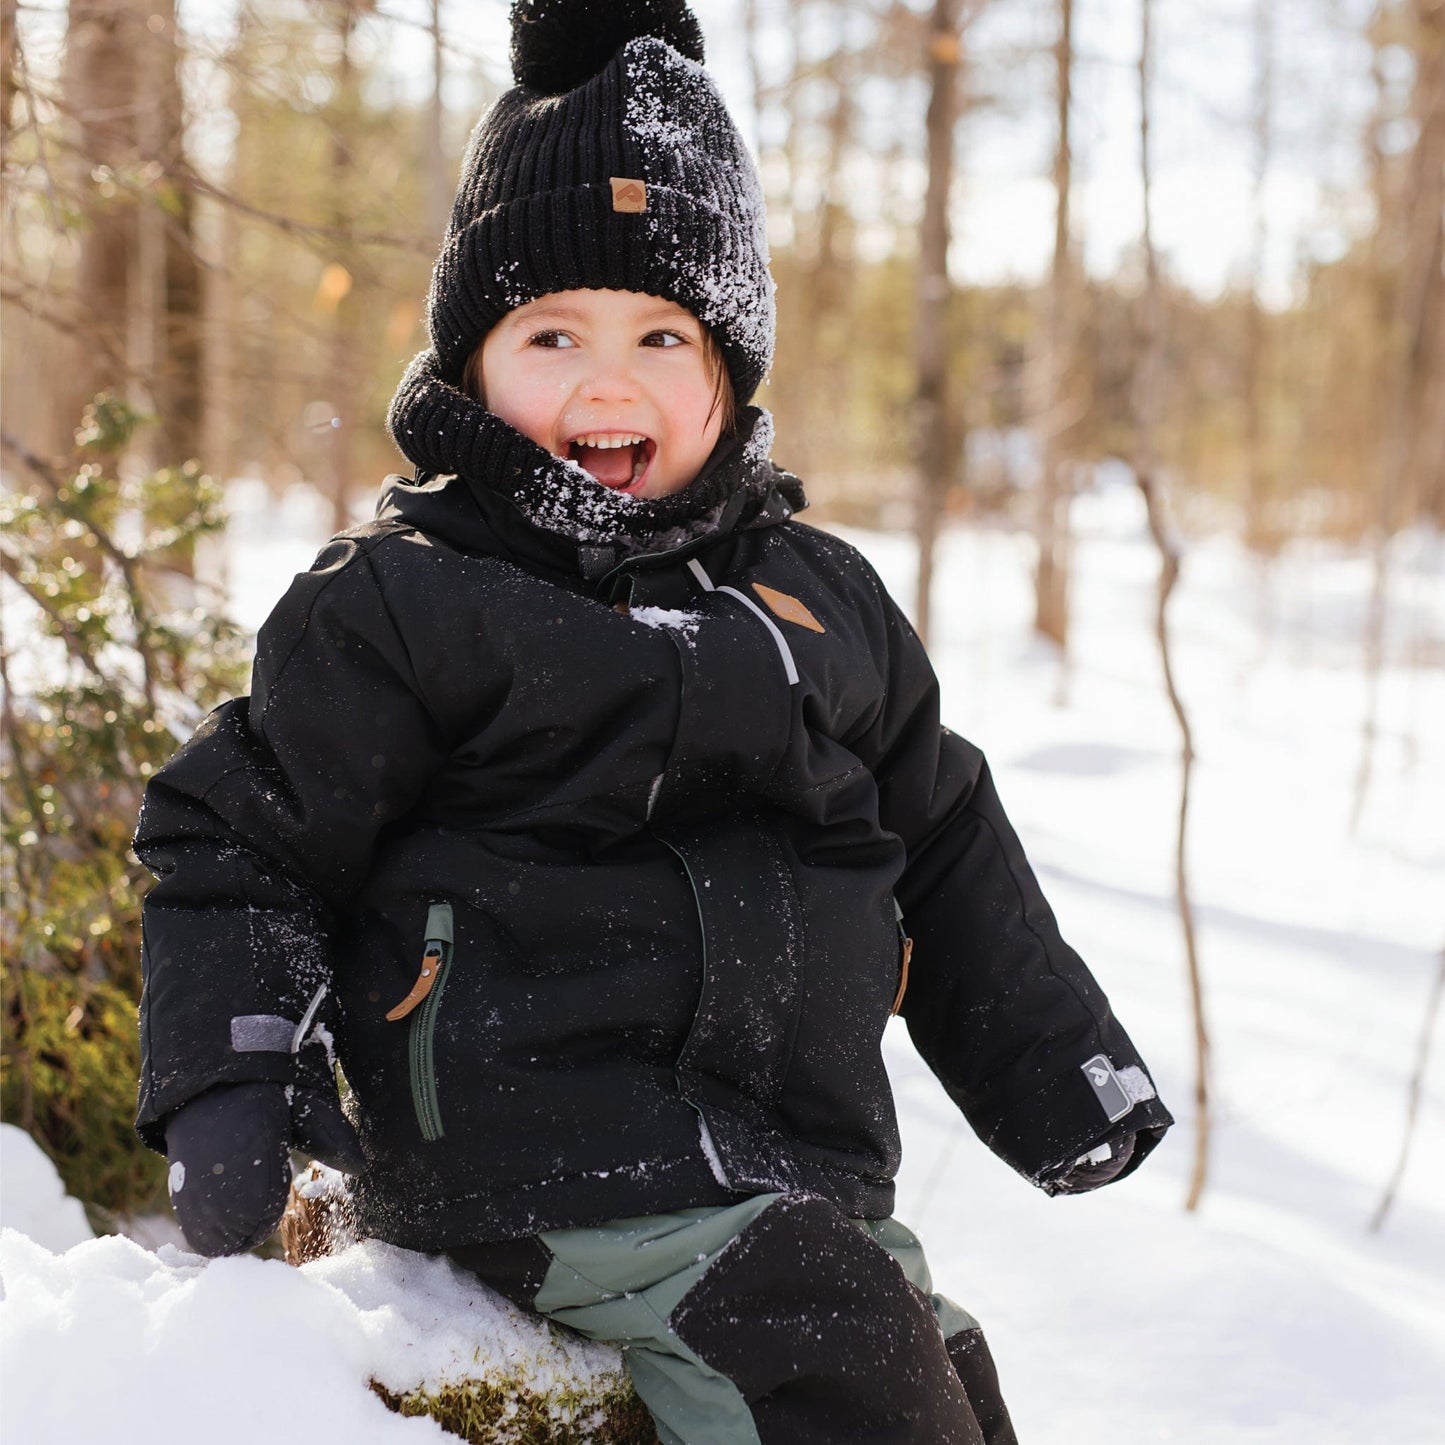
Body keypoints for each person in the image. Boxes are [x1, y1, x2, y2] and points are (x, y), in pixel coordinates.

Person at [135, 3, 1173, 1441]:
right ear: (471, 363)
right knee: (835, 1349)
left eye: (660, 334)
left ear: (730, 371)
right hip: (532, 1151)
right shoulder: (406, 599)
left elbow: (941, 837)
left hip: (784, 1172)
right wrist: (232, 1072)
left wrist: (1061, 1070)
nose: (605, 379)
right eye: (549, 331)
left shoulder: (825, 602)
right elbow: (240, 835)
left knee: (942, 1374)